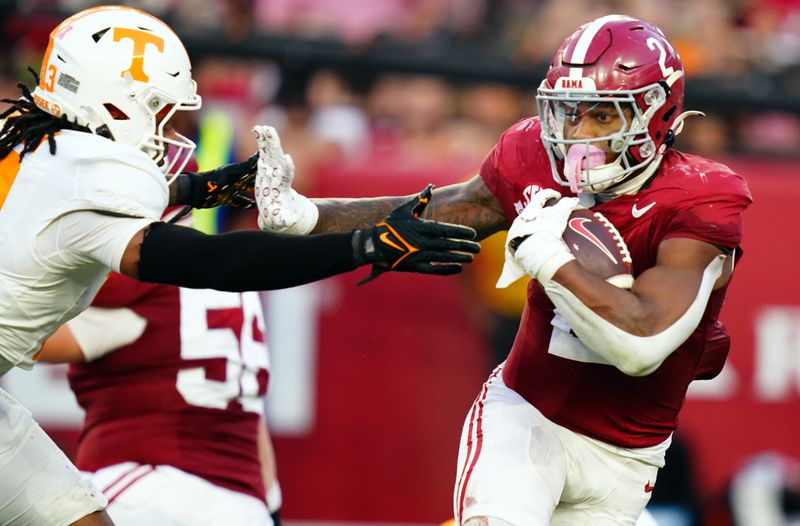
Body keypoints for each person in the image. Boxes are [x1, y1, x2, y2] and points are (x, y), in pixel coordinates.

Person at [255, 14, 752, 526]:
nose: (578, 134)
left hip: (627, 455)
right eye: (570, 113)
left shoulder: (701, 197)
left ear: (657, 112)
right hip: (528, 415)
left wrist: (549, 258)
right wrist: (308, 215)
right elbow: (440, 207)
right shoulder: (535, 156)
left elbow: (641, 345)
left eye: (603, 115)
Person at [0, 6, 479, 525]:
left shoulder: (46, 145)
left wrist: (200, 188)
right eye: (157, 107)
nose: (170, 126)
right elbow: (214, 263)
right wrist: (363, 246)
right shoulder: (85, 173)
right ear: (109, 101)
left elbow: (80, 201)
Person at [36, 210, 283, 526]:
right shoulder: (227, 276)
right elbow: (251, 417)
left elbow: (22, 338)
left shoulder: (141, 276)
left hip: (148, 487)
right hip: (244, 507)